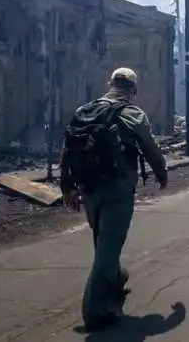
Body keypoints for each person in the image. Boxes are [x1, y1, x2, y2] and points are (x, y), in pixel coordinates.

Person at [60, 67, 168, 331]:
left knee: (103, 242)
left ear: (109, 84)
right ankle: (95, 312)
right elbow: (150, 148)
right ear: (133, 90)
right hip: (118, 190)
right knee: (108, 246)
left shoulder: (84, 111)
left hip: (88, 188)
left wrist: (67, 187)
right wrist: (162, 174)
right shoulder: (133, 113)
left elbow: (67, 149)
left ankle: (115, 280)